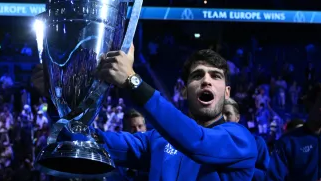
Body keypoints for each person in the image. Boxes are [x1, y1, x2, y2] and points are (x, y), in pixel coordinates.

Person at [32, 47, 258, 180]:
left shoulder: (240, 140)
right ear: (182, 89)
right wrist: (57, 99)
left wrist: (133, 82)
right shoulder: (157, 140)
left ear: (227, 92)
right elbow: (86, 143)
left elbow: (198, 142)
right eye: (197, 75)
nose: (206, 80)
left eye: (215, 76)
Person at [223, 98, 270, 181]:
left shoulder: (257, 143)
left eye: (228, 114)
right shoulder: (210, 143)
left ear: (237, 118)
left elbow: (266, 176)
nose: (223, 118)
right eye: (219, 115)